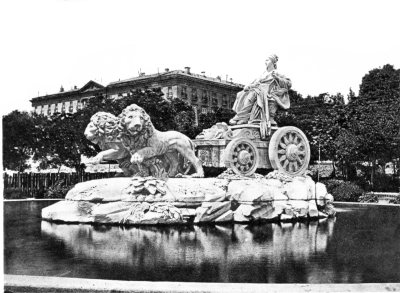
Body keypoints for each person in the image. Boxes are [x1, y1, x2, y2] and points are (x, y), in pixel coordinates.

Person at [229, 54, 292, 138]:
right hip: (258, 89)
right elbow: (254, 82)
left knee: (254, 93)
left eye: (267, 60)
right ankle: (244, 117)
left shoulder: (277, 73)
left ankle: (239, 117)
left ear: (273, 62)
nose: (265, 62)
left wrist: (276, 78)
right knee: (241, 93)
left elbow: (288, 84)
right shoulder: (263, 74)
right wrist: (248, 86)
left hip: (267, 92)